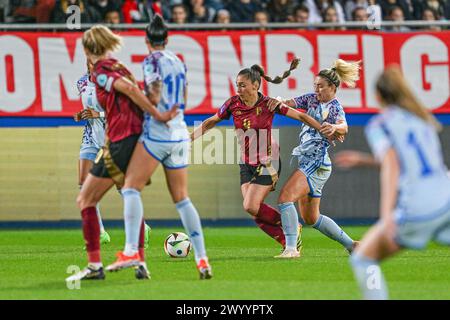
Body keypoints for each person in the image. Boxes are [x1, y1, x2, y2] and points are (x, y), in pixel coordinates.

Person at [66, 25, 177, 283]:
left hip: (122, 141)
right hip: (131, 139)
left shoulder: (103, 71)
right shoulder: (119, 66)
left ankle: (95, 265)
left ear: (87, 49)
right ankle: (139, 260)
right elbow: (134, 90)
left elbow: (129, 90)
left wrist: (157, 114)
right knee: (129, 193)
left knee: (85, 199)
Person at [104, 15, 213, 280]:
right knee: (182, 198)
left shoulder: (151, 61)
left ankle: (131, 250)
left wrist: (139, 96)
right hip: (179, 133)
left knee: (130, 188)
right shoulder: (178, 61)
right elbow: (184, 94)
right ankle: (202, 259)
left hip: (158, 133)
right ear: (167, 39)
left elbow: (153, 94)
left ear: (146, 40)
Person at [191, 58, 330, 255]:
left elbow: (300, 116)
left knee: (250, 204)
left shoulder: (269, 104)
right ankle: (286, 238)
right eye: (237, 85)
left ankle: (289, 225)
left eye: (242, 85)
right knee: (253, 210)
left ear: (255, 85)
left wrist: (323, 129)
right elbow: (210, 122)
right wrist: (188, 139)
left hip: (268, 161)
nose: (238, 89)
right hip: (246, 163)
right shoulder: (232, 104)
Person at [334, 66, 450, 300]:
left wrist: (386, 217)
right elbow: (410, 162)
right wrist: (364, 160)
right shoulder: (422, 118)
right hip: (446, 200)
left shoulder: (380, 124)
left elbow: (392, 164)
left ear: (378, 96)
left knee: (364, 259)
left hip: (419, 208)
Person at [273, 59, 360, 258]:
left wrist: (335, 128)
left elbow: (343, 126)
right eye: (315, 85)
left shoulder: (335, 107)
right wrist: (279, 102)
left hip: (316, 161)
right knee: (311, 218)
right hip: (311, 162)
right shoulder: (311, 99)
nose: (317, 89)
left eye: (321, 86)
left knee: (285, 198)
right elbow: (290, 104)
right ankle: (351, 245)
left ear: (333, 87)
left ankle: (291, 249)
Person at [73, 62, 152, 251]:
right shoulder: (82, 83)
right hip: (91, 138)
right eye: (89, 60)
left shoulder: (112, 83)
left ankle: (142, 225)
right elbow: (89, 109)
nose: (92, 64)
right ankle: (99, 233)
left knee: (121, 185)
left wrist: (97, 113)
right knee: (84, 183)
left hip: (113, 137)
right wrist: (82, 115)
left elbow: (122, 112)